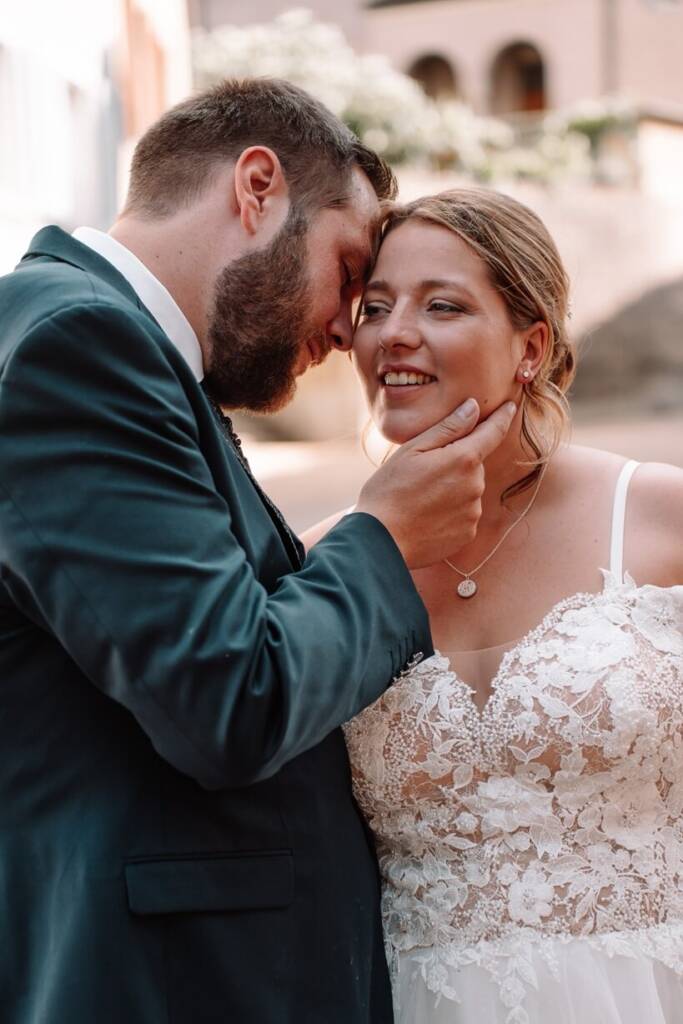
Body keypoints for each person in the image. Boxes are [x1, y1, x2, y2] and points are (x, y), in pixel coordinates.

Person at [0, 81, 518, 1023]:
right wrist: (387, 537)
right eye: (349, 268)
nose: (345, 327)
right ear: (256, 188)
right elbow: (230, 697)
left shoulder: (132, 356)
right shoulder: (78, 345)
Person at [309, 187, 683, 1023]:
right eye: (373, 306)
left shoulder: (659, 514)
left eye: (441, 304)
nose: (393, 330)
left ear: (530, 345)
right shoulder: (320, 560)